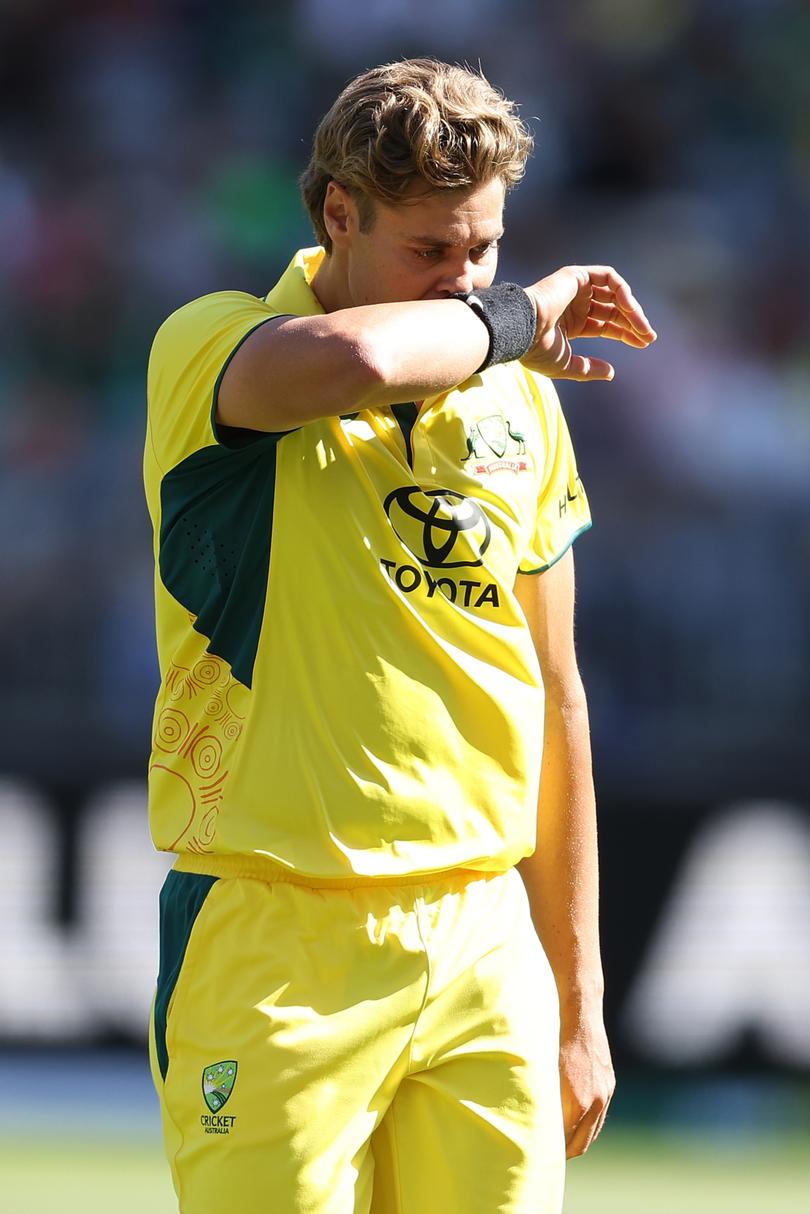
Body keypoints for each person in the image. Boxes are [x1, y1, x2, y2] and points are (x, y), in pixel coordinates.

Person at [144, 57, 655, 1214]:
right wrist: (520, 312)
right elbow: (362, 361)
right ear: (337, 214)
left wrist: (579, 999)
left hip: (483, 934)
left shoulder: (520, 400)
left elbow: (556, 695)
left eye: (484, 248)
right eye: (431, 251)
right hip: (274, 935)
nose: (464, 279)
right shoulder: (214, 343)